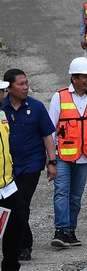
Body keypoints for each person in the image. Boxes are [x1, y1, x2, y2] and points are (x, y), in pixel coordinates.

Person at [49, 57, 87, 248]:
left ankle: (71, 231)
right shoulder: (59, 97)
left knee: (75, 196)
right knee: (61, 193)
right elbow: (50, 129)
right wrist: (51, 157)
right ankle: (61, 230)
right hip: (62, 155)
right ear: (74, 78)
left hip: (84, 156)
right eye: (85, 76)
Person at [2, 69, 57, 262]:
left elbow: (47, 135)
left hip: (31, 165)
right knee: (13, 207)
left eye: (27, 83)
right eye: (21, 84)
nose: (26, 87)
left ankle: (24, 246)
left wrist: (52, 161)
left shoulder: (36, 107)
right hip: (8, 168)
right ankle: (17, 242)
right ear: (9, 88)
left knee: (21, 203)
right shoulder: (2, 108)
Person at [0, 80, 25, 271]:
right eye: (0, 91)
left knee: (16, 224)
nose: (3, 94)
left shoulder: (2, 115)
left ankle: (10, 266)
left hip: (7, 184)